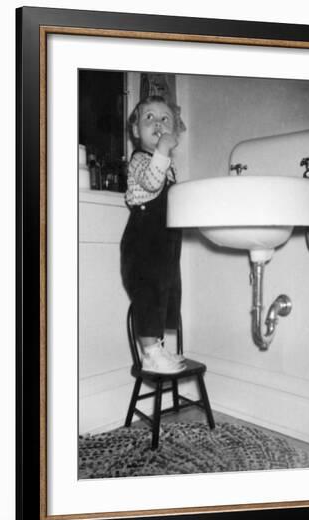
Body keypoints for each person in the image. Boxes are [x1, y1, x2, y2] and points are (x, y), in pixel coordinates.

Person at [120, 95, 186, 374]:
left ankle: (157, 348)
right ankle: (149, 353)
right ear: (136, 131)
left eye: (165, 118)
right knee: (147, 294)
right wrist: (162, 150)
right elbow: (150, 181)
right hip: (143, 242)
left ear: (175, 132)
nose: (158, 122)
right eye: (149, 118)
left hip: (164, 243)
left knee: (164, 294)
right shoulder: (139, 160)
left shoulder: (168, 166)